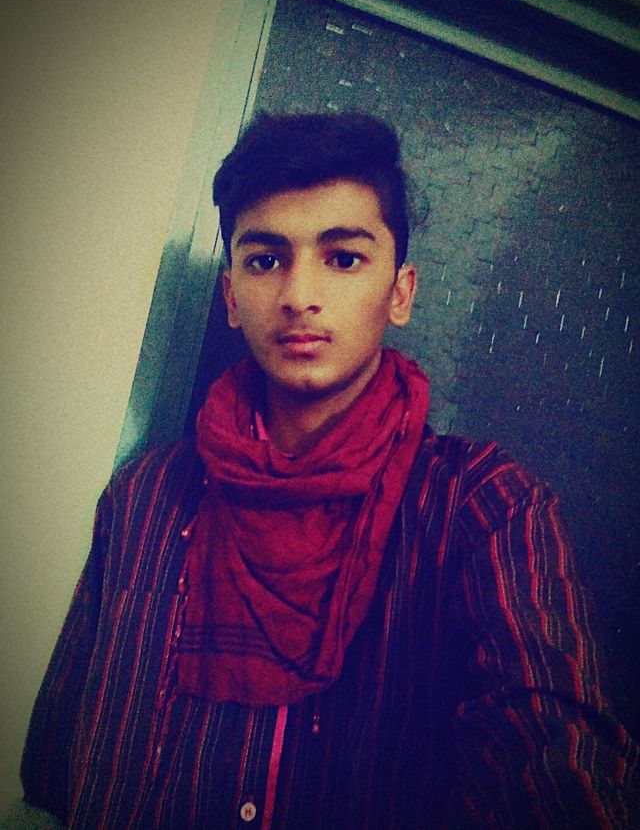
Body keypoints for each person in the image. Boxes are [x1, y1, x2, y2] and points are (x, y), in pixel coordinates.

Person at [19, 113, 638, 828]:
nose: (298, 295)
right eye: (264, 260)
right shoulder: (144, 500)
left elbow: (556, 756)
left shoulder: (486, 509)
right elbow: (56, 771)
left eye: (342, 258)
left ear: (400, 293)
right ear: (230, 296)